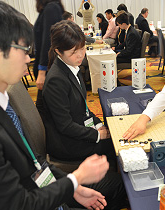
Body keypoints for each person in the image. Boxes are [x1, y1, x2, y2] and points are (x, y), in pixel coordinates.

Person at [0, 1, 126, 210]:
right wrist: (75, 180)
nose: (27, 58)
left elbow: (34, 160)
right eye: (23, 48)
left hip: (47, 186)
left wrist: (73, 187)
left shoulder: (1, 104)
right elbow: (19, 203)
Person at [42, 20, 117, 165]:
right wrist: (96, 135)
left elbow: (83, 108)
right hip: (67, 144)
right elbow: (65, 126)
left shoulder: (71, 67)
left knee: (113, 135)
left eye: (82, 48)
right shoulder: (56, 80)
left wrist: (98, 124)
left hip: (79, 128)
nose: (80, 55)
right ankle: (110, 183)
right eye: (73, 52)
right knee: (115, 145)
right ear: (58, 51)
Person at [33, 0, 64, 116]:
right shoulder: (50, 8)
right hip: (48, 67)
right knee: (46, 110)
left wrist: (42, 71)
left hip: (47, 69)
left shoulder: (51, 8)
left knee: (45, 111)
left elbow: (48, 41)